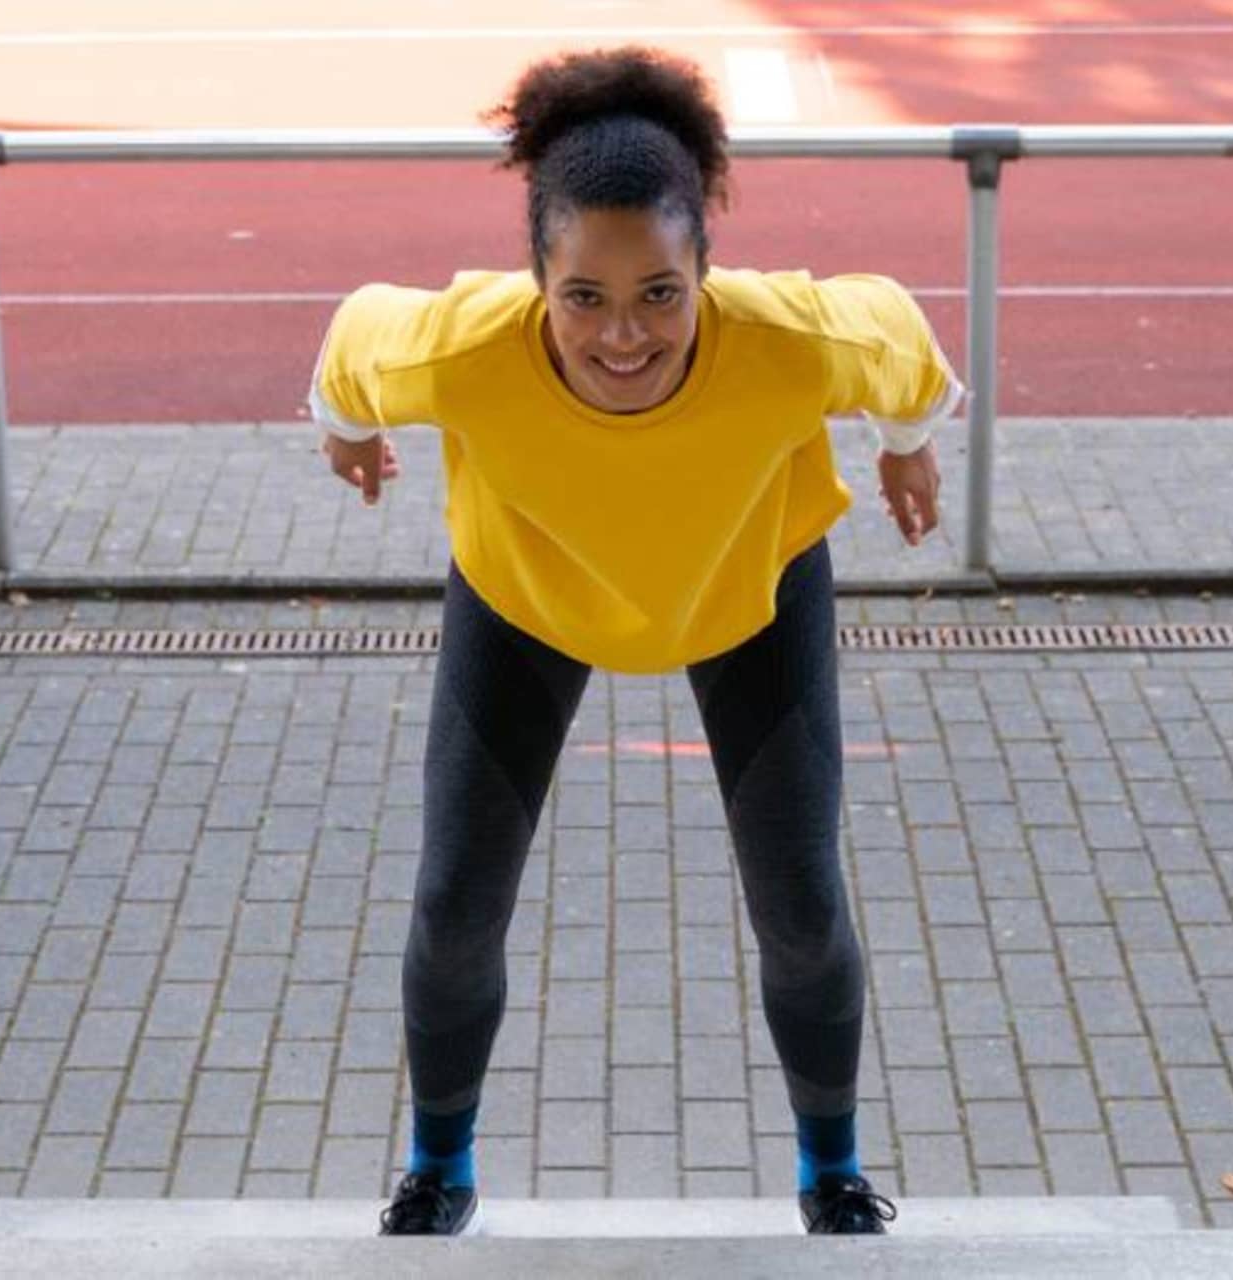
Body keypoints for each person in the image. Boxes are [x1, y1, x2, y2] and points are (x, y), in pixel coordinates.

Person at [309, 45, 961, 1237]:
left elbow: (901, 339)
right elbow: (354, 342)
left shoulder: (791, 340)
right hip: (527, 595)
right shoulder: (455, 350)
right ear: (535, 281)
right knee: (454, 904)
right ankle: (435, 1167)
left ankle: (832, 1174)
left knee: (802, 905)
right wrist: (341, 427)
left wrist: (908, 438)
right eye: (585, 298)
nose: (623, 336)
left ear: (706, 268)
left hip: (743, 586)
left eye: (660, 292)